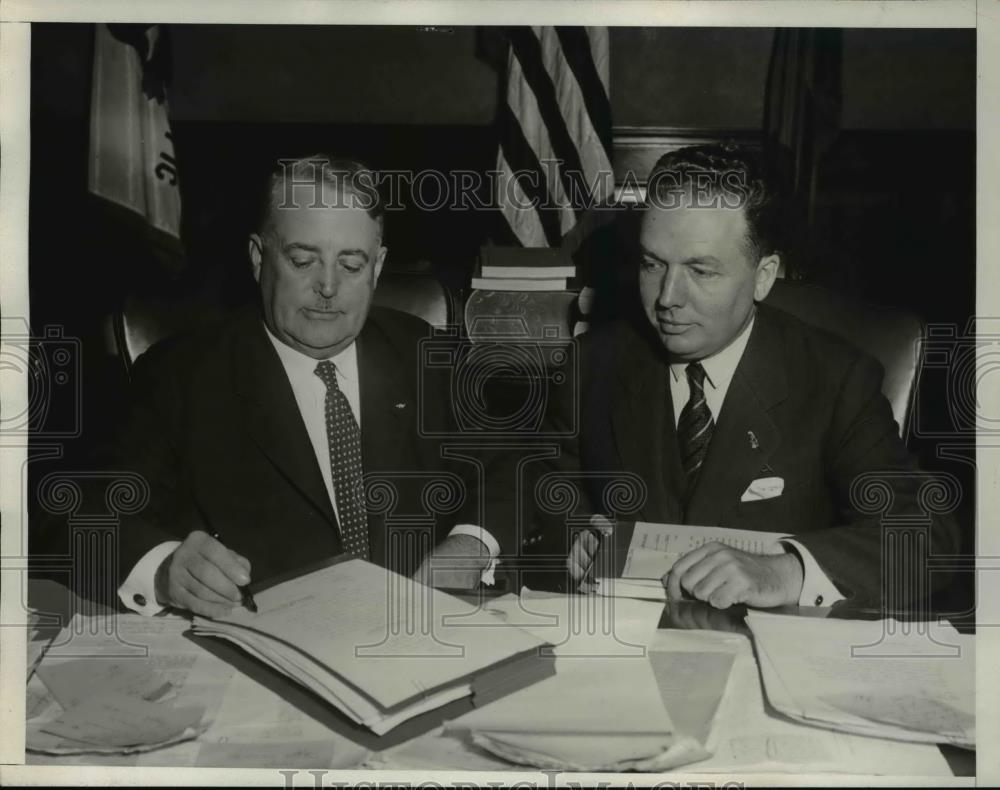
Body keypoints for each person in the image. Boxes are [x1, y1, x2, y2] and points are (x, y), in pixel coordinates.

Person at [556, 143, 960, 610]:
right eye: (653, 265)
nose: (667, 297)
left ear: (764, 276)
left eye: (701, 270)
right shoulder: (593, 363)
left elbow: (928, 535)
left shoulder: (834, 380)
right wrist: (573, 534)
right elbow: (543, 488)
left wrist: (786, 570)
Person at [110, 156, 497, 618]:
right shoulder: (179, 375)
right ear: (258, 258)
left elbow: (510, 467)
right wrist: (163, 569)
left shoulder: (426, 356)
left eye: (352, 265)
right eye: (302, 260)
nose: (328, 287)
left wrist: (471, 545)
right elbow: (82, 510)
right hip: (258, 651)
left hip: (414, 638)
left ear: (378, 267)